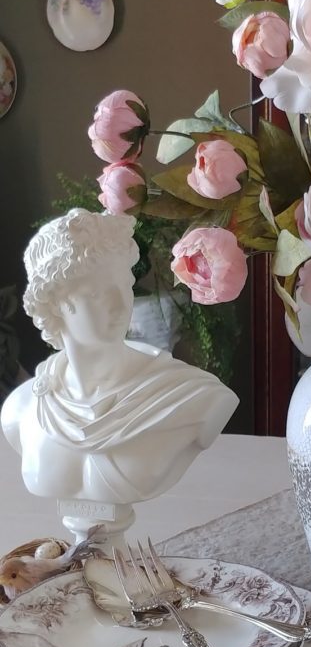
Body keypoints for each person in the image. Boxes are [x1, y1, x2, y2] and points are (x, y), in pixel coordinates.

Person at [1, 209, 239, 507]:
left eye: (124, 285)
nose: (119, 304)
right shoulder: (21, 411)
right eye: (96, 293)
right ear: (56, 303)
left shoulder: (191, 397)